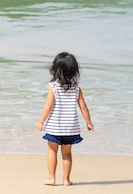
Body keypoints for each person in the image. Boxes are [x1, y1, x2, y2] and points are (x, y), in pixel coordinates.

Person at [36, 52, 94, 186]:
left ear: (55, 69)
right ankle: (66, 180)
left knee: (52, 151)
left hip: (54, 128)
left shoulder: (53, 87)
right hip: (70, 129)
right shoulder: (76, 88)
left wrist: (41, 121)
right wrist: (88, 122)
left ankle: (51, 178)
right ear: (74, 70)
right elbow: (83, 107)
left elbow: (48, 106)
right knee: (67, 154)